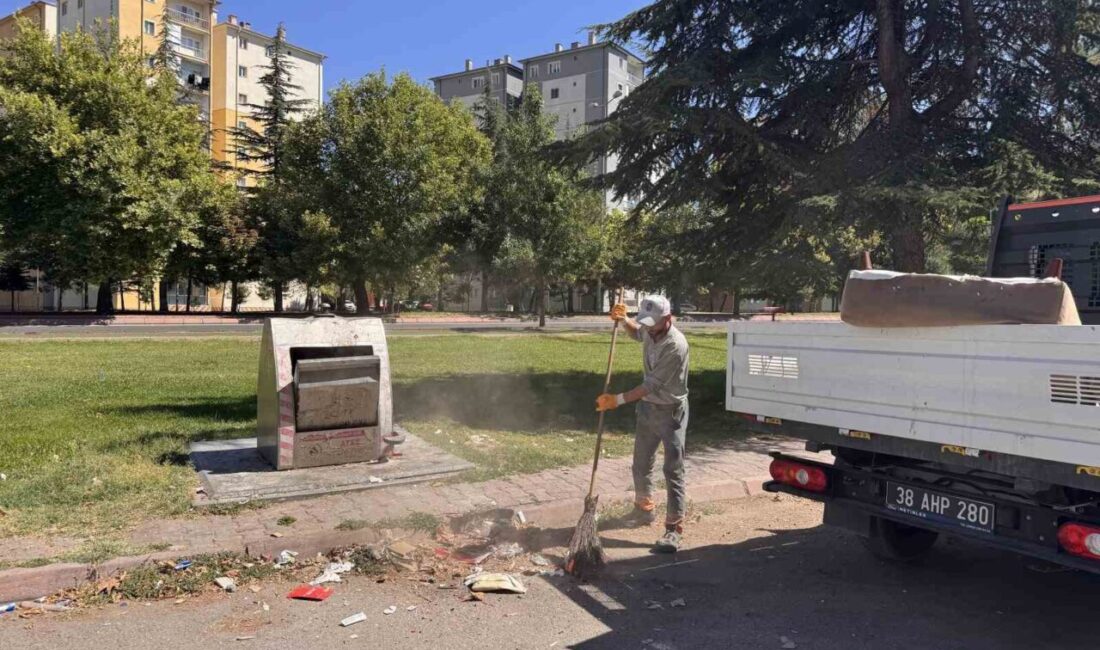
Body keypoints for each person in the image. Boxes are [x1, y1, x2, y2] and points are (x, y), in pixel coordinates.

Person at [596, 295, 690, 553]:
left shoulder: (676, 345)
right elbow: (638, 334)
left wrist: (616, 400)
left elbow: (651, 385)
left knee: (673, 470)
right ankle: (643, 510)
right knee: (641, 463)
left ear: (668, 319)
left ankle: (673, 529)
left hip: (671, 412)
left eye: (652, 323)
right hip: (647, 409)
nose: (647, 327)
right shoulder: (650, 329)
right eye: (645, 321)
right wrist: (624, 320)